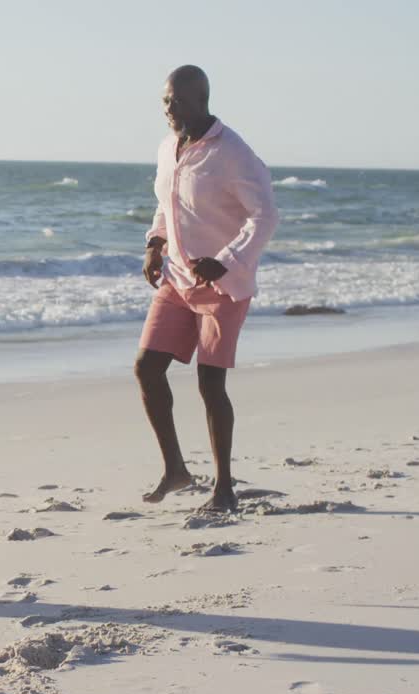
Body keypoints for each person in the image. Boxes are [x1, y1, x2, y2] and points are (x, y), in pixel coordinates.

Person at [136, 65, 279, 513]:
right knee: (147, 367)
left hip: (222, 285)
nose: (168, 109)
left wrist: (227, 261)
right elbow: (167, 205)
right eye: (164, 101)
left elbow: (265, 216)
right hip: (178, 279)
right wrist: (155, 244)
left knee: (209, 383)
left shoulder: (232, 152)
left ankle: (223, 488)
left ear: (201, 99)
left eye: (176, 101)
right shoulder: (168, 147)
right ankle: (175, 469)